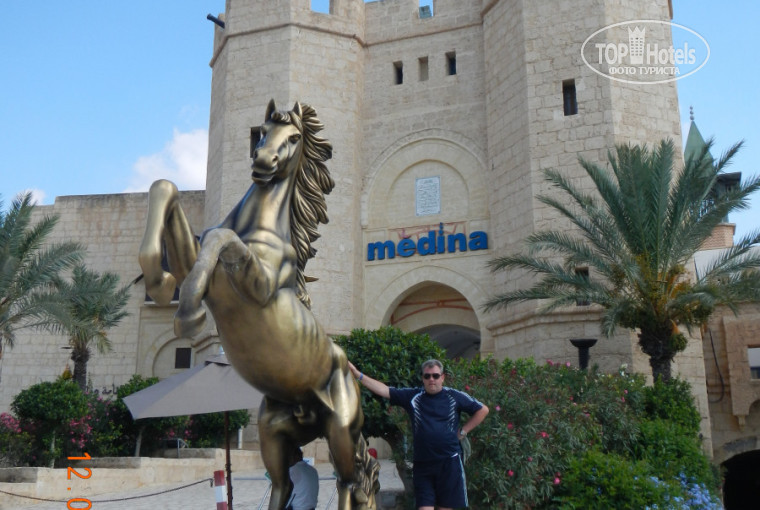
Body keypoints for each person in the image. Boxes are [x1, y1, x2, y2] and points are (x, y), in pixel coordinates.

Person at [348, 359, 489, 510]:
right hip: (423, 464)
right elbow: (384, 390)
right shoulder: (414, 396)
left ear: (442, 377)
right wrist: (358, 374)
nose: (431, 379)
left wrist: (463, 431)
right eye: (427, 376)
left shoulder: (454, 397)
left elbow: (482, 410)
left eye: (435, 376)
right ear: (422, 378)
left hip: (449, 463)